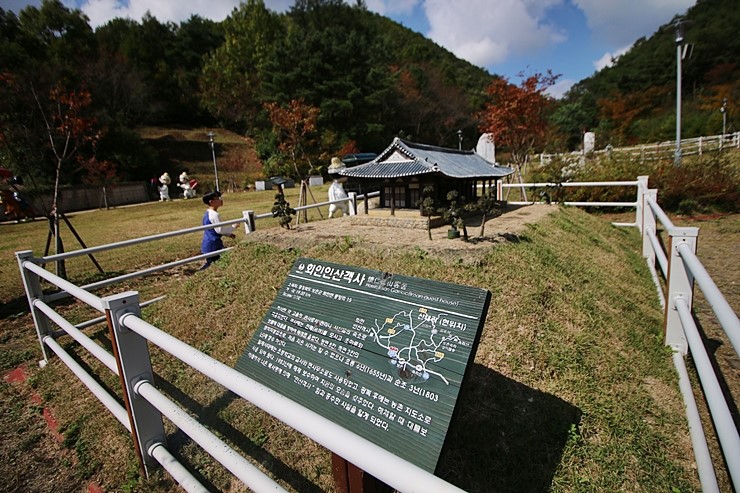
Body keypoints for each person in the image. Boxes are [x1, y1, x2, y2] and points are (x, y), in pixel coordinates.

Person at [200, 190, 236, 269]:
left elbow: (215, 229)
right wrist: (233, 227)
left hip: (209, 243)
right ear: (211, 202)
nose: (220, 200)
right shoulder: (214, 215)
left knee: (215, 263)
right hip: (213, 244)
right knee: (213, 264)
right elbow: (220, 230)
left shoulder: (208, 213)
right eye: (217, 198)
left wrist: (228, 234)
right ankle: (199, 274)